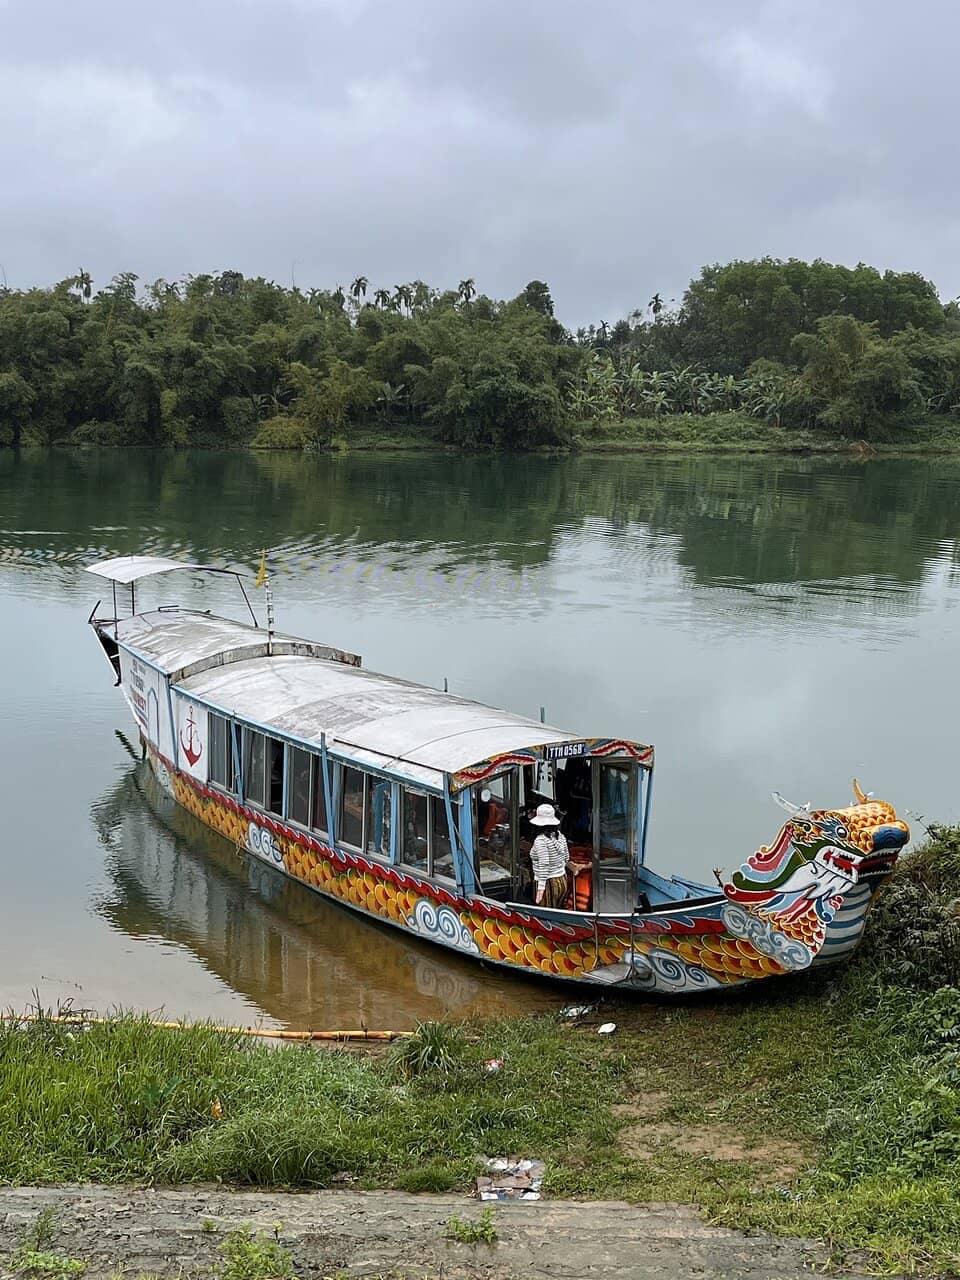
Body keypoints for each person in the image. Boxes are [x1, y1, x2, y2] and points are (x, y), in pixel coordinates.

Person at [529, 803, 570, 908]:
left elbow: (544, 864)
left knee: (546, 916)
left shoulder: (541, 840)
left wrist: (540, 890)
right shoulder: (560, 836)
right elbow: (566, 858)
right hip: (562, 881)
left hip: (549, 884)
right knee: (558, 909)